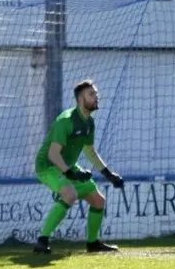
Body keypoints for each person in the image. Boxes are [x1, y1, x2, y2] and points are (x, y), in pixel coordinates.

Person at [33, 79, 125, 254]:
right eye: (92, 94)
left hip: (67, 165)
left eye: (96, 93)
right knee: (70, 194)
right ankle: (42, 241)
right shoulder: (66, 121)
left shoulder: (89, 123)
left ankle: (92, 243)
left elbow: (90, 151)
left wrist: (109, 174)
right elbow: (53, 154)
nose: (97, 97)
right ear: (81, 99)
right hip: (48, 165)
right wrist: (70, 174)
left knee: (98, 200)